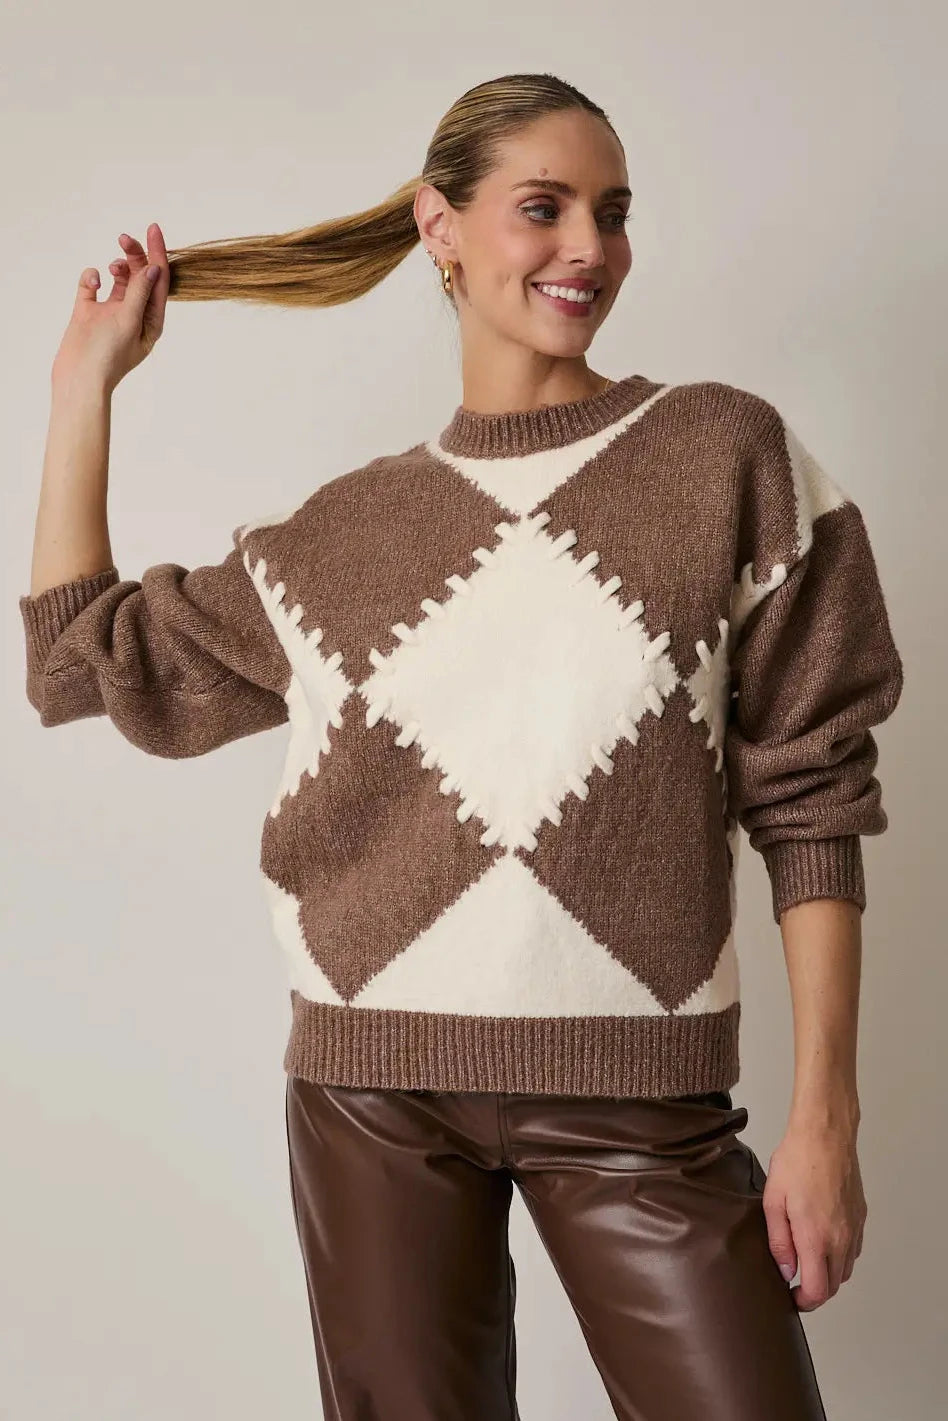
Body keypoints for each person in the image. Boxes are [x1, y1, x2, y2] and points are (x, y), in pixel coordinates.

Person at [19, 71, 904, 1421]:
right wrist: (85, 382)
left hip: (641, 1100)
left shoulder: (725, 455)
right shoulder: (344, 535)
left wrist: (826, 1116)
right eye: (541, 209)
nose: (590, 249)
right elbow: (88, 663)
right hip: (371, 1093)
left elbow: (813, 795)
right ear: (440, 226)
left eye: (612, 213)